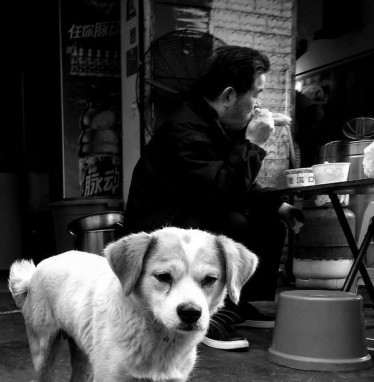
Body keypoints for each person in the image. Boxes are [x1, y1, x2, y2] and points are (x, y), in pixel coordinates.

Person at [123, 45, 304, 351]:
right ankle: (208, 316)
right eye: (255, 94)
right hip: (164, 224)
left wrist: (278, 205)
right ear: (230, 95)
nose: (258, 103)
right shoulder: (185, 129)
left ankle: (238, 302)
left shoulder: (211, 124)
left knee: (270, 223)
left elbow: (230, 181)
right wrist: (254, 144)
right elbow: (223, 191)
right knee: (234, 223)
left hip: (195, 210)